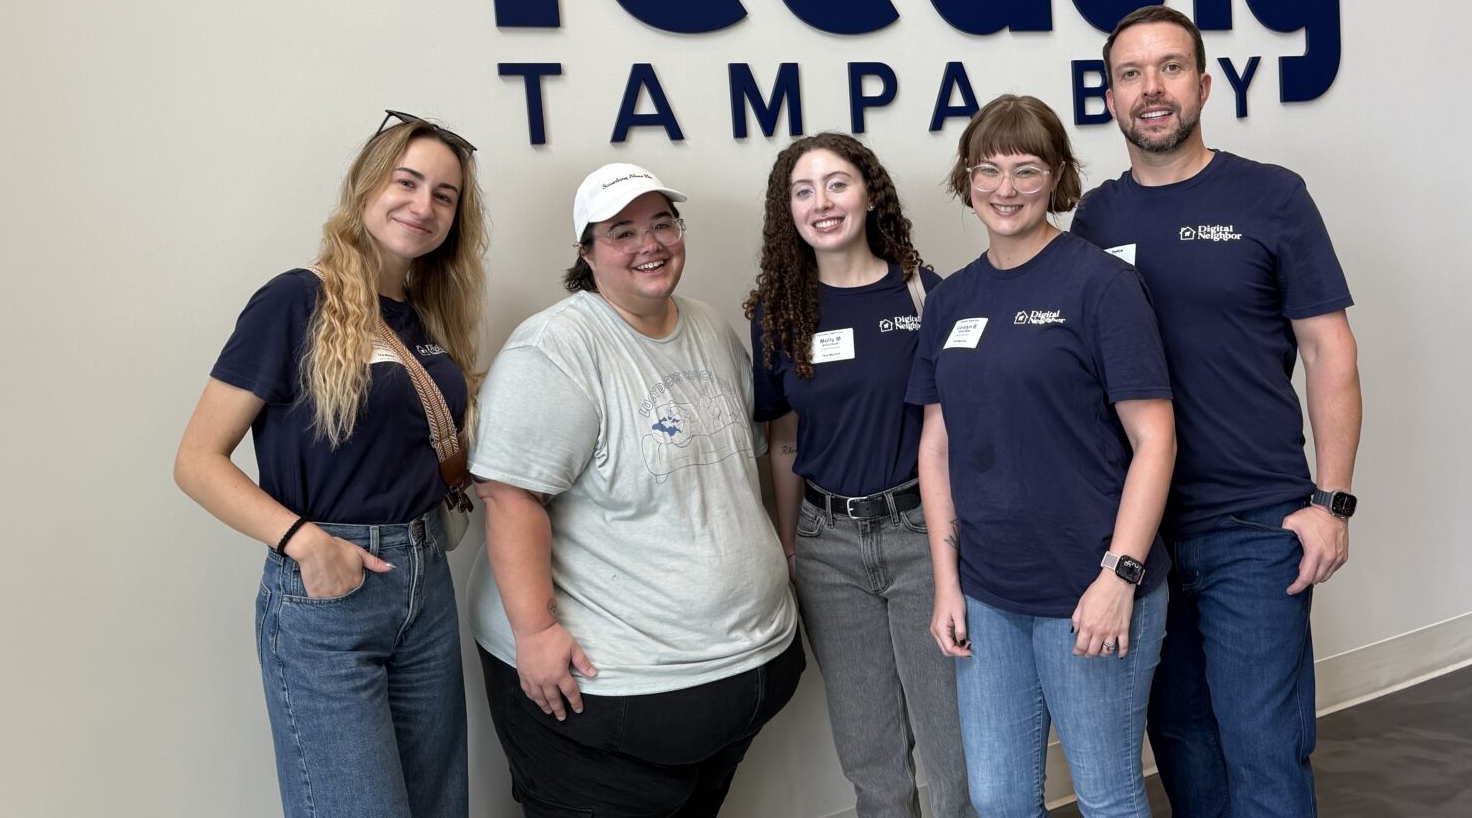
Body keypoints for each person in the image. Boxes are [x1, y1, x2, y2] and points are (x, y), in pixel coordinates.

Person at [1073, 5, 1363, 818]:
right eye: (1130, 74)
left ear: (1202, 85)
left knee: (1264, 755)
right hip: (1144, 537)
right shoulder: (1096, 218)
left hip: (1256, 528)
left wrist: (1330, 503)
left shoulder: (1271, 196)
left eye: (1169, 68)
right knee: (1185, 750)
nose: (1151, 89)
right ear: (1109, 97)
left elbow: (1329, 352)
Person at [174, 111, 487, 818]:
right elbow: (197, 460)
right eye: (407, 182)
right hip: (328, 599)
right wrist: (306, 542)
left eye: (445, 195)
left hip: (425, 582)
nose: (424, 205)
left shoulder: (430, 316)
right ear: (368, 186)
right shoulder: (295, 300)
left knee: (441, 807)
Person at [467, 162, 802, 818]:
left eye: (663, 224)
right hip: (607, 696)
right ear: (587, 254)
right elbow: (509, 497)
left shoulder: (709, 327)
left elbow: (739, 470)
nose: (649, 244)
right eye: (621, 232)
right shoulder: (556, 349)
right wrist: (534, 632)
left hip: (733, 673)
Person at [908, 95, 1178, 818]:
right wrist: (947, 585)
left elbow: (1156, 439)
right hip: (991, 595)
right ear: (966, 180)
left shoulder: (1102, 287)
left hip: (1088, 587)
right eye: (988, 169)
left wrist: (1120, 575)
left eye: (1027, 170)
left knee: (1108, 794)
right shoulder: (950, 300)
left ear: (1057, 177)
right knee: (998, 801)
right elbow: (937, 447)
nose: (1006, 188)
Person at [745, 133, 974, 818]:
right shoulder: (776, 314)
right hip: (826, 546)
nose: (822, 203)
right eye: (803, 190)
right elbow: (783, 441)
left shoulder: (923, 293)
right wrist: (788, 547)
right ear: (787, 210)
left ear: (869, 193)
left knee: (952, 751)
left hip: (920, 539)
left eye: (837, 183)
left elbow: (953, 434)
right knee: (871, 760)